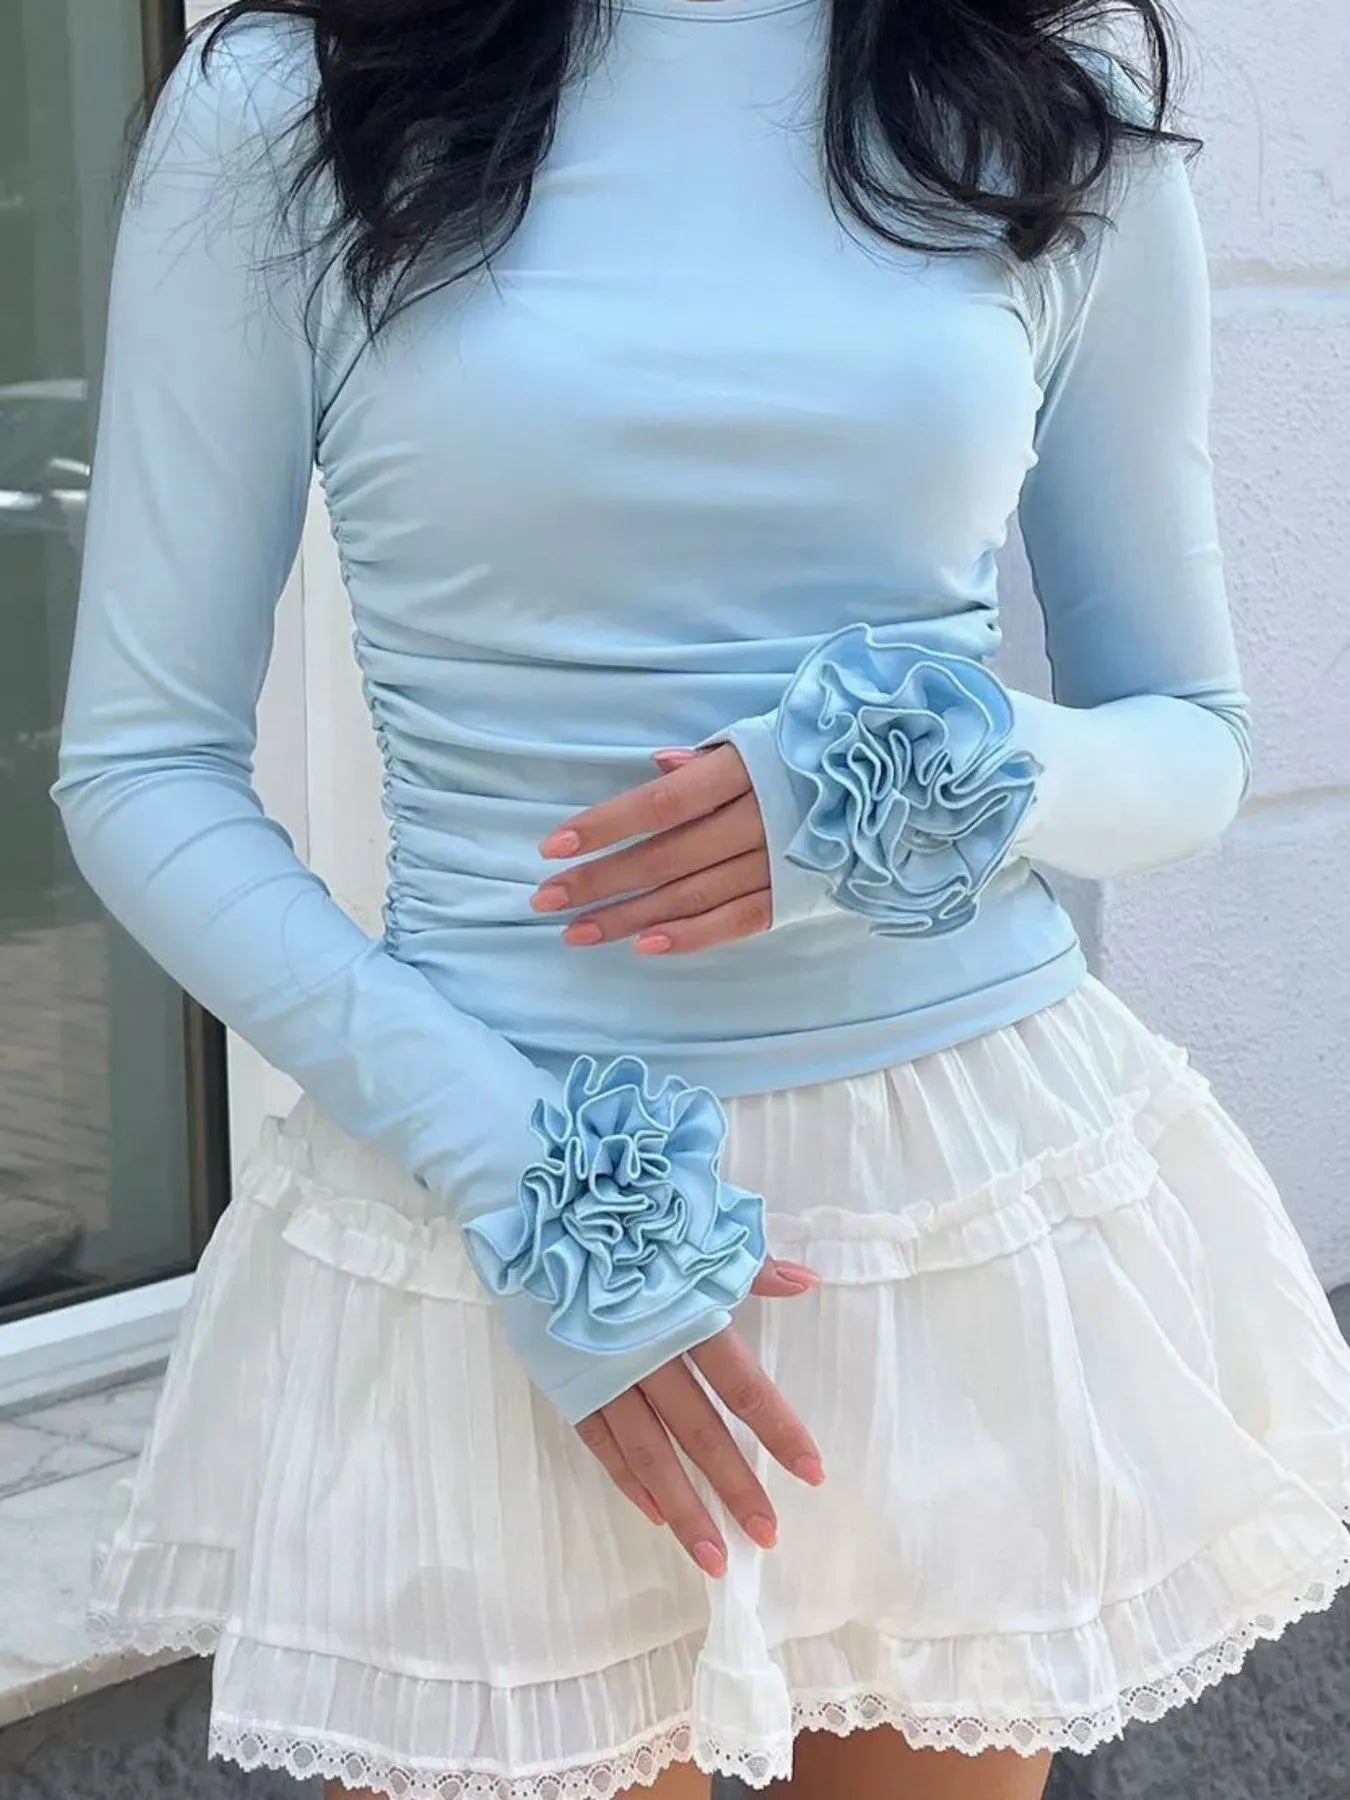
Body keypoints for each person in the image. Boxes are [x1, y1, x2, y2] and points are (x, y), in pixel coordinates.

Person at [50, 0, 1350, 1796]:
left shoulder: (1041, 106)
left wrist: (925, 769)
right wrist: (528, 1182)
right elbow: (139, 768)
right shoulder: (299, 98)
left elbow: (1188, 743)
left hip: (951, 1213)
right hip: (486, 1194)